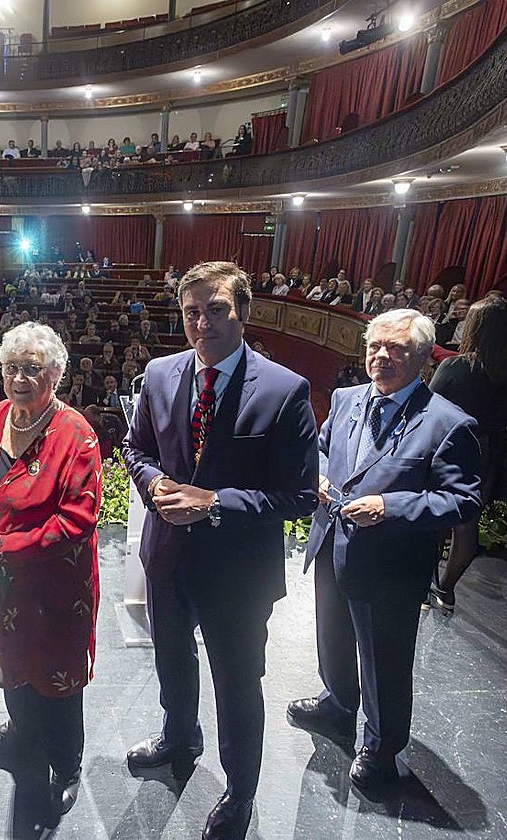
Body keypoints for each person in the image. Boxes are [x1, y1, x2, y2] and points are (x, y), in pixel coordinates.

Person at [122, 261, 319, 840]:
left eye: (216, 310)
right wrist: (155, 484)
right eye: (192, 312)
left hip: (238, 574)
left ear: (244, 313)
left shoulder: (284, 389)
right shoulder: (159, 374)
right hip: (167, 558)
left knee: (237, 684)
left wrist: (213, 502)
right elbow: (136, 449)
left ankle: (239, 791)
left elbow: (301, 495)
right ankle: (179, 735)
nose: (202, 323)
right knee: (172, 659)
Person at [288, 309, 481, 793]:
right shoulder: (346, 398)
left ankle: (381, 745)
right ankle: (338, 703)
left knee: (384, 662)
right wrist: (317, 475)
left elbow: (462, 501)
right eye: (375, 346)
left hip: (391, 566)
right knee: (332, 636)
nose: (382, 356)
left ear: (423, 357)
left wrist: (390, 507)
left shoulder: (449, 423)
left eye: (397, 348)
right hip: (332, 542)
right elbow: (323, 449)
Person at [0, 322, 102, 830]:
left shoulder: (77, 435)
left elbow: (77, 522)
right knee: (14, 662)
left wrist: (4, 545)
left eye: (32, 369)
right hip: (2, 583)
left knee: (59, 679)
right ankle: (24, 732)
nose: (19, 378)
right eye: (11, 368)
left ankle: (66, 765)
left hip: (56, 589)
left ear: (56, 374)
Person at [428, 297, 507, 611]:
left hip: (452, 444)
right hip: (492, 449)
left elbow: (430, 407)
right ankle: (447, 591)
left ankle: (424, 586)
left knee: (437, 517)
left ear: (476, 328)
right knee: (468, 524)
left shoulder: (455, 366)